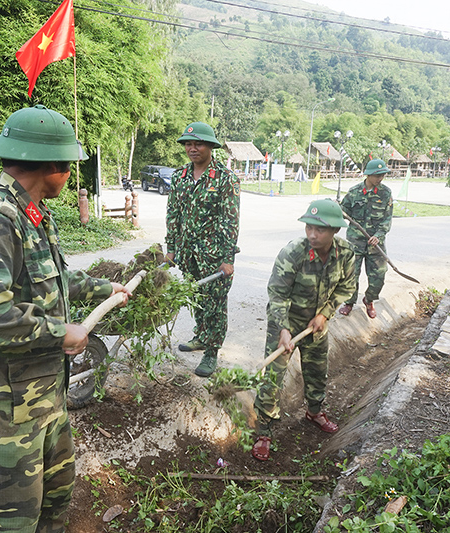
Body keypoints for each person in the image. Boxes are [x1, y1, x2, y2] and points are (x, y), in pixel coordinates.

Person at [0, 105, 131, 533]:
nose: (71, 174)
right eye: (69, 165)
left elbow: (55, 279)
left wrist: (108, 289)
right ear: (49, 165)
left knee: (56, 495)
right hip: (9, 402)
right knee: (9, 520)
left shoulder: (30, 211)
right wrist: (60, 332)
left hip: (45, 394)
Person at [252, 199, 356, 462]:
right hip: (285, 323)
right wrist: (283, 329)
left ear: (335, 230)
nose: (312, 234)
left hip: (317, 326)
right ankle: (264, 431)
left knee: (317, 370)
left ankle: (314, 411)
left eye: (319, 230)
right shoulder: (293, 253)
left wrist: (324, 314)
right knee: (273, 379)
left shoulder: (345, 253)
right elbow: (277, 294)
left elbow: (347, 287)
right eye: (309, 227)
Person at [165, 121, 240, 377]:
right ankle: (201, 336)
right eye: (188, 144)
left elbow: (230, 219)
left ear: (210, 146)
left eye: (198, 143)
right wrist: (172, 248)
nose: (192, 148)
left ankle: (211, 351)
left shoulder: (225, 178)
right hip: (188, 252)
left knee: (215, 303)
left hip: (215, 254)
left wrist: (228, 258)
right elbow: (173, 213)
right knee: (196, 296)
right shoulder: (179, 177)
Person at [336, 158, 393, 319]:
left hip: (376, 244)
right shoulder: (354, 192)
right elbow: (343, 210)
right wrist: (337, 208)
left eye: (382, 175)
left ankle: (369, 300)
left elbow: (387, 219)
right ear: (368, 175)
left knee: (378, 277)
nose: (380, 179)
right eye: (377, 175)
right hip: (356, 241)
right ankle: (349, 302)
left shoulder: (385, 193)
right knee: (351, 274)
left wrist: (378, 235)